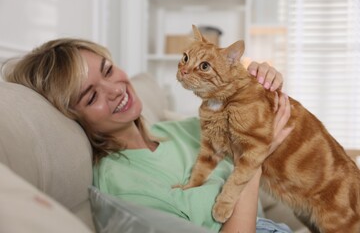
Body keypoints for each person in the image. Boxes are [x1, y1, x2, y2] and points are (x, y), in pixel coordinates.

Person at [2, 38, 293, 233]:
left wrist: (262, 86)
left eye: (107, 70)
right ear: (72, 116)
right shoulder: (123, 184)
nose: (115, 89)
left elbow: (276, 132)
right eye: (91, 97)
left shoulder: (184, 130)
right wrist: (251, 160)